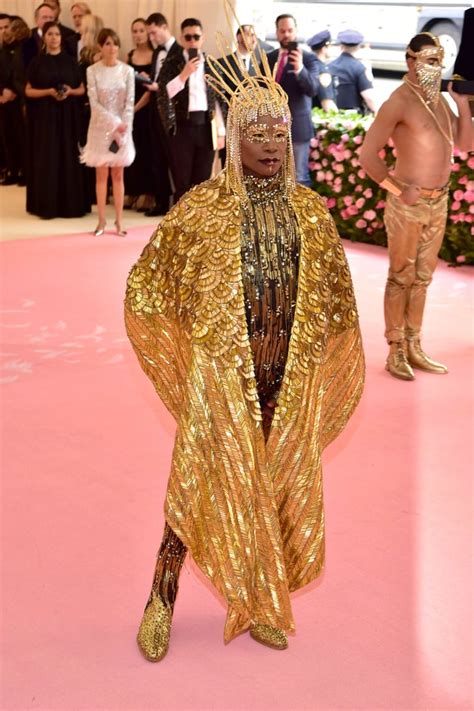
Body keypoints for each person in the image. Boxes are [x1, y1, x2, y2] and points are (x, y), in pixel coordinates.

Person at [125, 46, 364, 662]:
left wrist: (319, 366)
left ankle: (260, 598)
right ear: (233, 135)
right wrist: (193, 357)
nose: (270, 143)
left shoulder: (310, 213)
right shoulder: (204, 209)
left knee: (273, 485)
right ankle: (160, 598)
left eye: (280, 132)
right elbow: (151, 282)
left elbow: (337, 302)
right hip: (222, 372)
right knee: (198, 481)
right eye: (256, 131)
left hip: (288, 373)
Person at [359, 32, 472, 380]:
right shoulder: (398, 101)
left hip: (438, 201)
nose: (435, 67)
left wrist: (463, 103)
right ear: (410, 61)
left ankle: (414, 344)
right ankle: (395, 349)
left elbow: (465, 144)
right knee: (401, 276)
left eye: (439, 61)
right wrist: (396, 187)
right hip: (407, 204)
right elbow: (367, 156)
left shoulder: (441, 101)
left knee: (422, 279)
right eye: (428, 60)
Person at [24, 20, 90, 218]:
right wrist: (48, 92)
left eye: (57, 34)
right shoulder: (36, 62)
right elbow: (28, 91)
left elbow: (82, 89)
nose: (54, 38)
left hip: (68, 119)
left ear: (61, 38)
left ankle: (70, 204)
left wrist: (70, 91)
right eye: (50, 34)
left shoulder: (71, 61)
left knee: (68, 156)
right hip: (45, 119)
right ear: (44, 37)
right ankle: (46, 205)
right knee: (48, 157)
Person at [157, 17, 225, 202]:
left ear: (202, 38)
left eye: (196, 36)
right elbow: (165, 93)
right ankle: (181, 225)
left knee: (203, 181)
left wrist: (221, 133)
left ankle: (200, 226)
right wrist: (184, 74)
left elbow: (218, 100)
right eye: (188, 37)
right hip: (181, 127)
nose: (193, 41)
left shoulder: (211, 64)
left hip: (206, 126)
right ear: (182, 39)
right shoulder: (172, 62)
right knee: (182, 180)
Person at [81, 28, 135, 236]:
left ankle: (120, 222)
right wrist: (114, 123)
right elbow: (94, 103)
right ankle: (101, 221)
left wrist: (124, 126)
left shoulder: (127, 71)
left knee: (119, 175)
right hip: (100, 128)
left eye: (115, 43)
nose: (112, 48)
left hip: (123, 130)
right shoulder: (92, 71)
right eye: (107, 44)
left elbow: (130, 102)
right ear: (100, 47)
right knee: (101, 175)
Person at [265, 14, 319, 187]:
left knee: (300, 177)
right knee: (273, 176)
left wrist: (300, 69)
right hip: (272, 129)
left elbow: (313, 89)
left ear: (296, 32)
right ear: (277, 32)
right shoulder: (269, 58)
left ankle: (300, 214)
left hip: (298, 129)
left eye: (290, 30)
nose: (286, 35)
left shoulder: (308, 58)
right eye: (282, 31)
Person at [139, 12, 176, 216]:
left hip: (173, 113)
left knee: (175, 161)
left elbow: (182, 82)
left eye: (153, 32)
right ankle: (161, 201)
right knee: (157, 159)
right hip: (155, 111)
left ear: (164, 26)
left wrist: (158, 86)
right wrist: (149, 79)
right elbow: (158, 78)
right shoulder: (156, 53)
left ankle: (177, 204)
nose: (151, 37)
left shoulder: (180, 50)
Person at [123, 17, 154, 211]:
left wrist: (135, 109)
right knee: (130, 150)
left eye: (141, 30)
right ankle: (131, 190)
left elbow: (152, 90)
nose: (138, 34)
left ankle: (146, 192)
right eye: (134, 31)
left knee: (146, 151)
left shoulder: (155, 54)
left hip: (146, 111)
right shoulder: (130, 55)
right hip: (130, 110)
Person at [0, 16, 29, 186]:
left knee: (21, 136)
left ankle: (25, 171)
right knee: (7, 136)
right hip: (4, 99)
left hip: (19, 98)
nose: (4, 31)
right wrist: (2, 91)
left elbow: (21, 73)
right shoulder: (2, 52)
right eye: (1, 28)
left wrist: (14, 92)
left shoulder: (21, 48)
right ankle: (11, 170)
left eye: (7, 27)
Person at [329, 30, 376, 114]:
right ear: (358, 47)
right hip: (353, 118)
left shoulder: (330, 66)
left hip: (333, 115)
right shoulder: (359, 68)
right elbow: (369, 97)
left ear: (341, 46)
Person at [307, 30, 337, 111]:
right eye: (330, 46)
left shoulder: (309, 66)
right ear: (324, 49)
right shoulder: (323, 71)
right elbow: (327, 103)